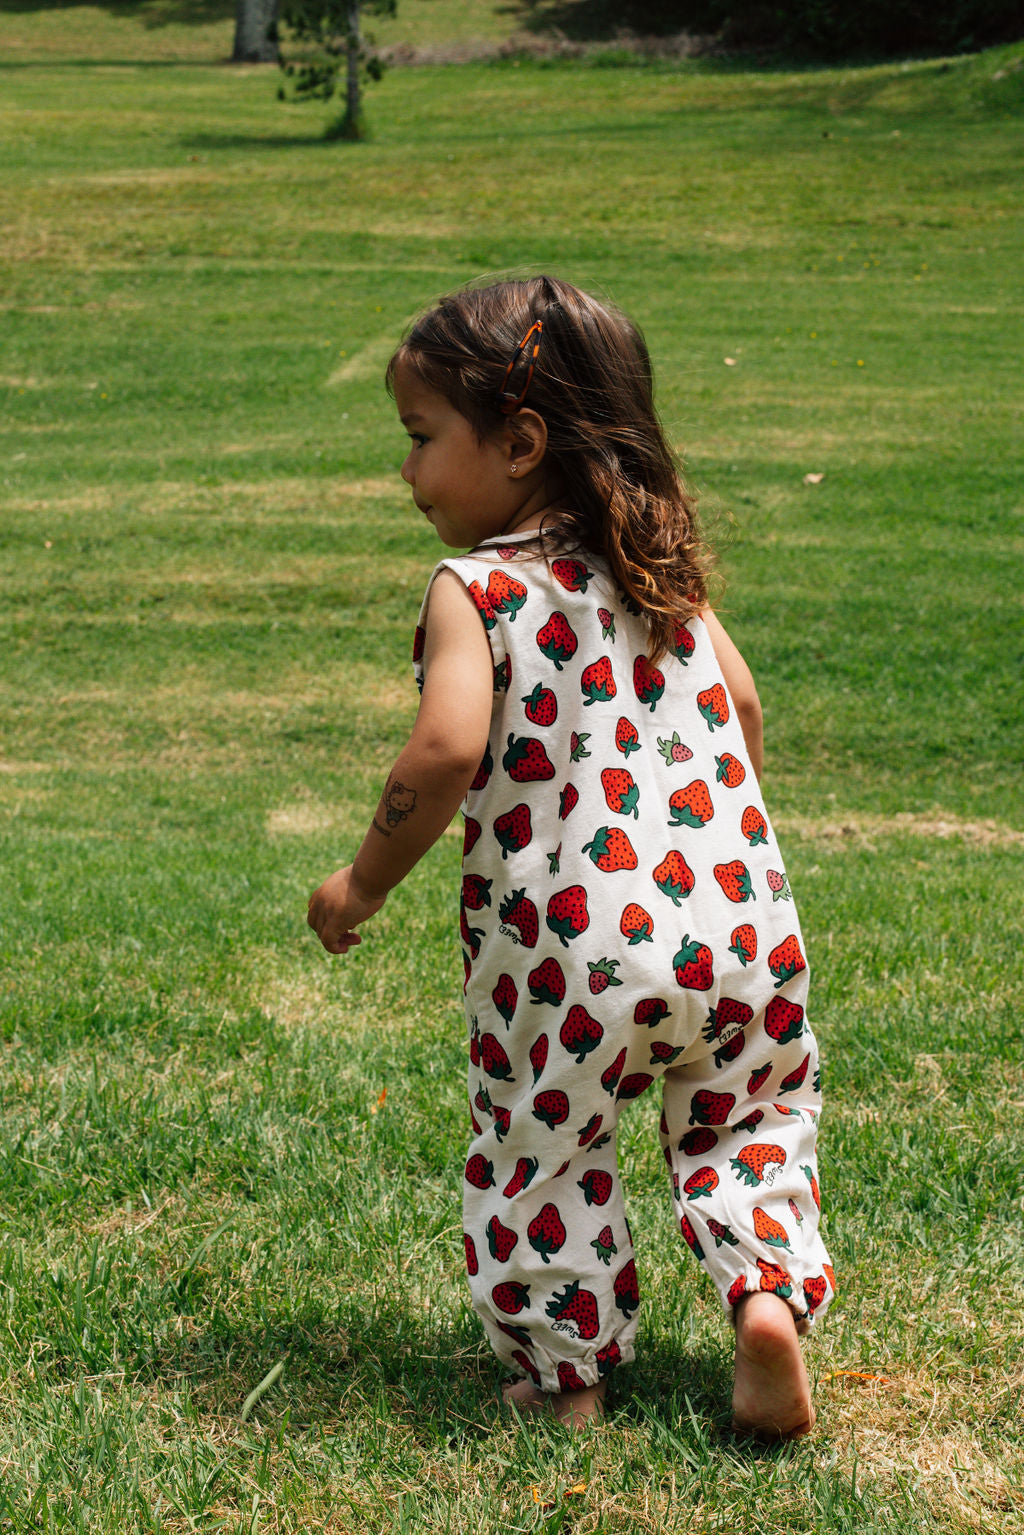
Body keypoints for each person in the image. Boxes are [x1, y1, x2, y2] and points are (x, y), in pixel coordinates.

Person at [307, 276, 835, 1437]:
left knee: (541, 1137)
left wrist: (363, 880)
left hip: (571, 948)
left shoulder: (478, 588)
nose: (404, 471)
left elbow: (445, 747)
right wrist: (707, 839)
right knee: (746, 1118)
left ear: (519, 441)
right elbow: (739, 708)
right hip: (739, 921)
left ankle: (567, 1380)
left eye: (418, 438)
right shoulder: (664, 575)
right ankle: (762, 1300)